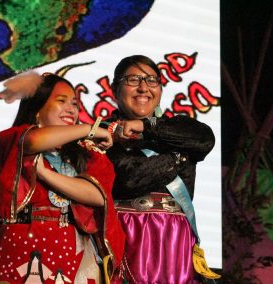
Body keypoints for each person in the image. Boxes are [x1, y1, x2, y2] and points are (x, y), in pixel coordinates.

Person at [0, 72, 125, 284]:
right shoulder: (12, 139)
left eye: (75, 103)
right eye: (61, 101)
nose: (71, 109)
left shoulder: (86, 153)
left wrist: (45, 174)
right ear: (37, 109)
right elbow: (32, 142)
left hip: (72, 249)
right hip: (21, 244)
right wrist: (89, 128)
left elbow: (97, 196)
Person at [103, 55, 218, 283]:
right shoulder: (103, 134)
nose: (143, 88)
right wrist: (179, 157)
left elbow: (205, 140)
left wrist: (145, 127)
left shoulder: (178, 127)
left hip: (175, 239)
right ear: (116, 89)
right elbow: (129, 178)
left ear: (161, 89)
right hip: (126, 235)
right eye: (133, 80)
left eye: (151, 80)